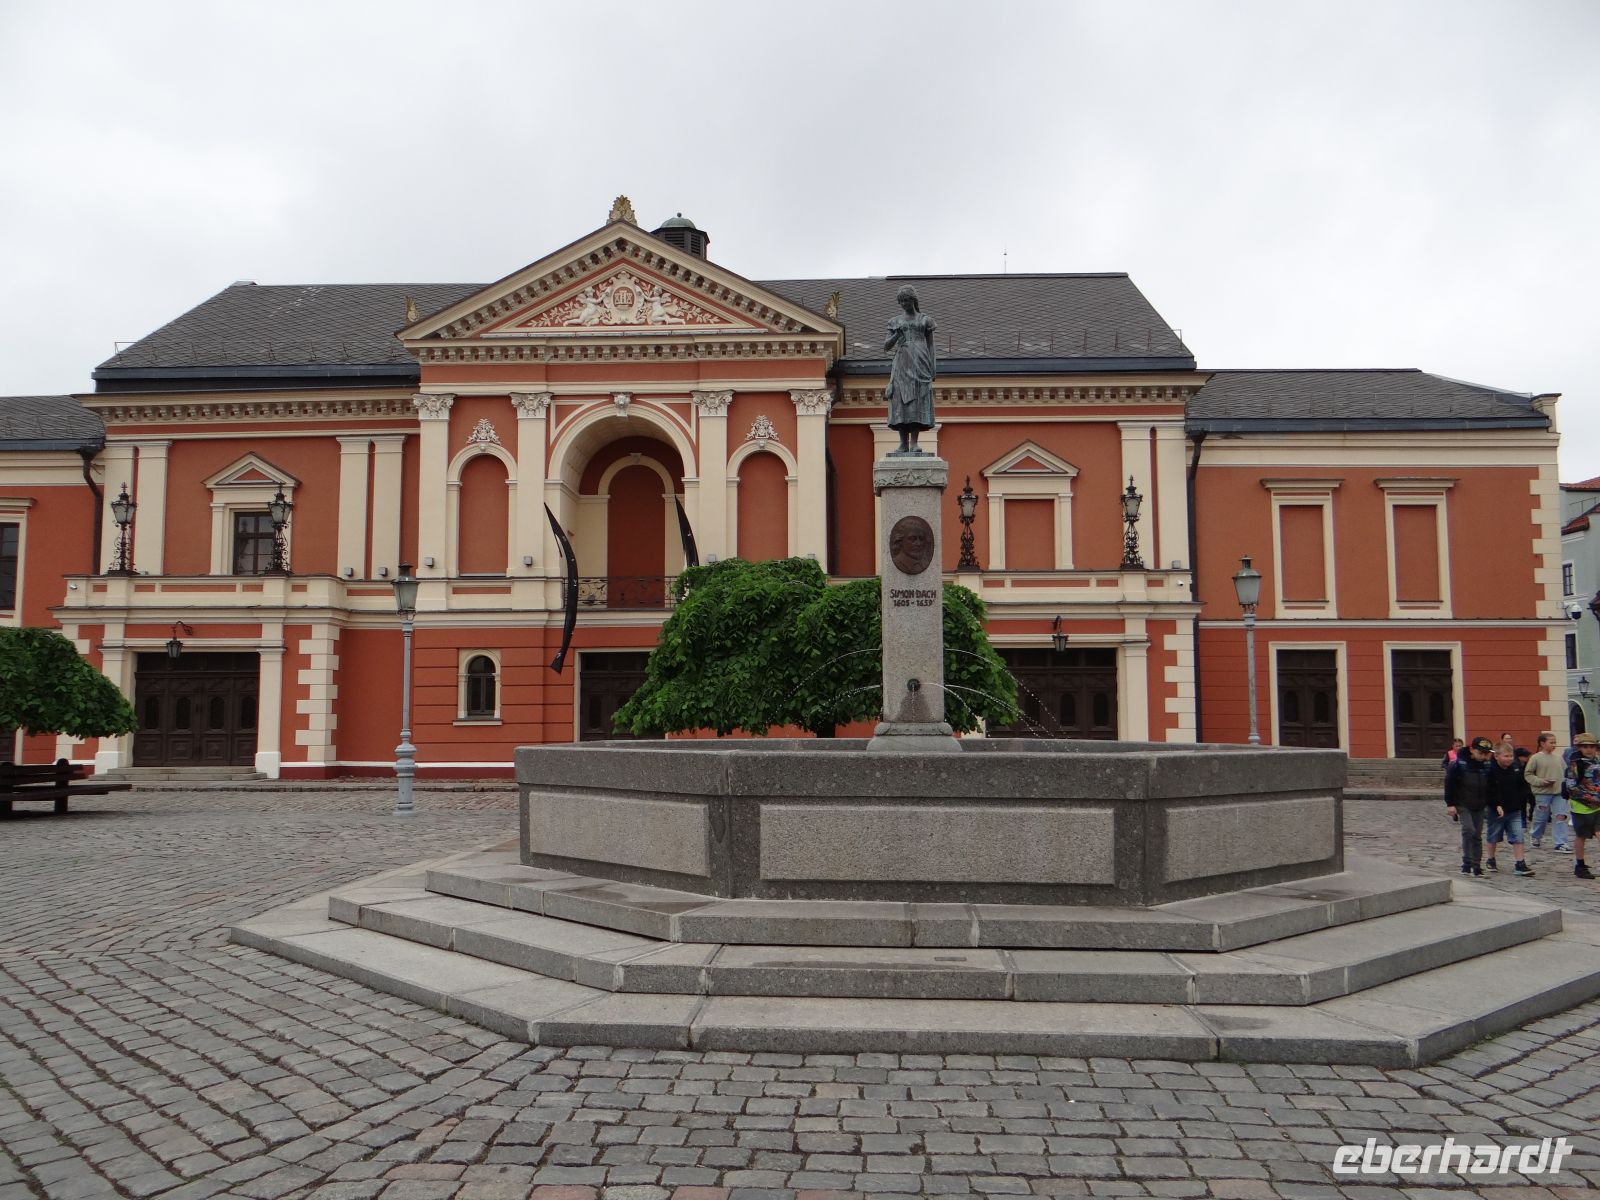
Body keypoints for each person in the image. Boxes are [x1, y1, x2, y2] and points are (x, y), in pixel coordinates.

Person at [884, 285, 937, 454]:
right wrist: (896, 335)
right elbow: (886, 346)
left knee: (917, 400)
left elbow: (931, 345)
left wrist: (933, 368)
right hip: (902, 363)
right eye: (901, 301)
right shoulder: (895, 321)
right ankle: (902, 443)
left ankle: (914, 442)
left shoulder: (925, 320)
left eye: (907, 300)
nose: (904, 304)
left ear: (913, 299)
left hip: (921, 362)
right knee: (900, 400)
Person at [1445, 736, 1495, 876]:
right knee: (1469, 830)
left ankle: (1476, 865)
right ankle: (1467, 862)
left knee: (1477, 835)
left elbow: (1491, 787)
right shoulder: (1458, 764)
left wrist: (1494, 803)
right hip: (1463, 803)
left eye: (1486, 753)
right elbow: (1449, 785)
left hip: (1479, 804)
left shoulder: (1486, 766)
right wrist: (1450, 804)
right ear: (1472, 750)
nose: (1484, 756)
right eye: (1481, 753)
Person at [1485, 744, 1535, 876]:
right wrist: (1496, 804)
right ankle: (1490, 859)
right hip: (1496, 810)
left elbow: (1522, 786)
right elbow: (1489, 790)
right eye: (1506, 756)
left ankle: (1520, 863)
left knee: (1518, 836)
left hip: (1514, 809)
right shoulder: (1490, 770)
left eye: (1511, 756)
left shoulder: (1515, 769)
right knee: (1494, 835)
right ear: (1496, 756)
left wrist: (1524, 800)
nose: (1509, 759)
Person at [1527, 732, 1572, 852]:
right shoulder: (1535, 758)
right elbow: (1528, 774)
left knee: (1560, 816)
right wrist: (1540, 781)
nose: (1554, 745)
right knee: (1541, 817)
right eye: (1551, 742)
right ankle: (1535, 835)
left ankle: (1560, 842)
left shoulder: (1558, 758)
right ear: (1542, 743)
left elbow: (1565, 772)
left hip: (1559, 793)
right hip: (1543, 792)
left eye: (1555, 742)